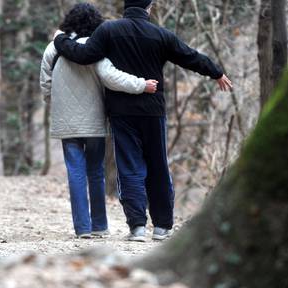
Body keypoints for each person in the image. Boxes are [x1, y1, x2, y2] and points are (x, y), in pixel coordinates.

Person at [53, 0, 233, 242]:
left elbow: (84, 55)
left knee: (129, 167)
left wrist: (60, 40)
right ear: (149, 7)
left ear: (125, 7)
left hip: (121, 112)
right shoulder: (161, 34)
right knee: (158, 165)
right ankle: (162, 227)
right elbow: (190, 56)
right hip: (153, 111)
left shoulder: (108, 30)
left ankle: (137, 227)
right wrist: (216, 72)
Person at [40, 3, 159, 239]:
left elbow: (45, 83)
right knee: (95, 172)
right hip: (94, 119)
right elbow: (111, 77)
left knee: (75, 171)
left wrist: (54, 103)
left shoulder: (53, 48)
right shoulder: (99, 46)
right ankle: (100, 226)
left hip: (66, 120)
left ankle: (82, 228)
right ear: (96, 22)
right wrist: (141, 85)